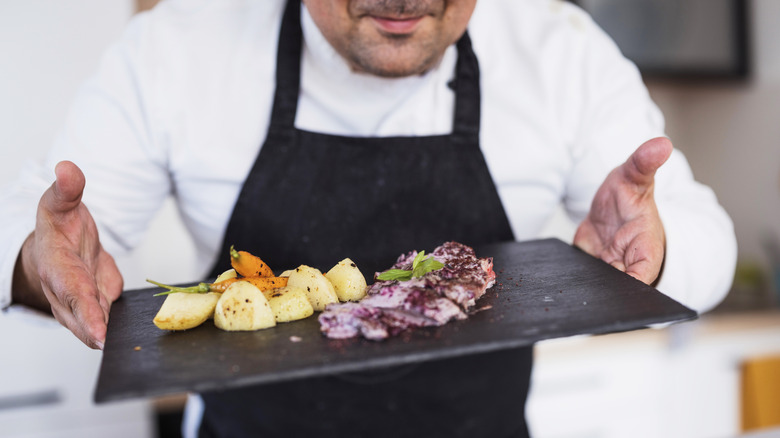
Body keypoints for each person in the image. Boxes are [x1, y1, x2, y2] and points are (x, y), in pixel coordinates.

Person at [1, 0, 737, 437]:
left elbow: (706, 241)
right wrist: (36, 262)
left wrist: (657, 251)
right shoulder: (179, 45)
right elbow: (32, 229)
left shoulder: (558, 48)